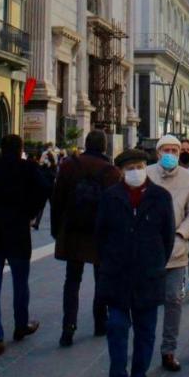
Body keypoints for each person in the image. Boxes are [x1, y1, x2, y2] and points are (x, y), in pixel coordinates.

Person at [96, 149, 175, 377]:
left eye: (139, 166)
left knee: (146, 331)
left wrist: (154, 262)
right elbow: (100, 234)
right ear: (121, 171)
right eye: (130, 168)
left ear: (146, 167)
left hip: (148, 273)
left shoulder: (160, 197)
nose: (135, 172)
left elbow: (168, 236)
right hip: (117, 274)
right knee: (117, 327)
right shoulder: (110, 197)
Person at [0, 134, 51, 355]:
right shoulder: (27, 167)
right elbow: (45, 189)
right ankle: (20, 325)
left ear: (0, 148)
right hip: (17, 232)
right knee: (20, 282)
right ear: (20, 149)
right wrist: (30, 211)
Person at [51, 129, 121, 346]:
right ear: (104, 147)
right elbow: (115, 206)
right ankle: (100, 321)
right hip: (99, 234)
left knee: (72, 280)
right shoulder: (110, 171)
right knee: (101, 278)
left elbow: (57, 199)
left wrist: (57, 230)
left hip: (73, 230)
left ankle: (68, 328)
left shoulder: (69, 165)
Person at [146, 135, 189, 373]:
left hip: (177, 251)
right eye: (166, 149)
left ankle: (168, 350)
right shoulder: (146, 175)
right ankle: (144, 348)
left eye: (175, 150)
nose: (170, 153)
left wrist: (181, 234)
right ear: (158, 152)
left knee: (174, 300)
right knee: (146, 303)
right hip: (147, 251)